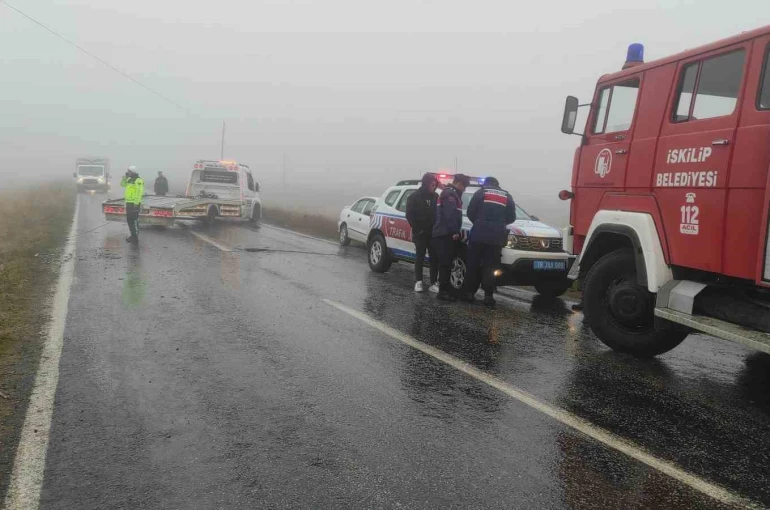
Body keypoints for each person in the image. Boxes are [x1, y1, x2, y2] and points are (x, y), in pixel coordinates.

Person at [462, 176, 515, 306]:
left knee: (473, 264)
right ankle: (488, 296)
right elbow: (512, 217)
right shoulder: (507, 196)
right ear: (498, 184)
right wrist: (499, 224)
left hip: (478, 234)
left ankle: (469, 294)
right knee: (490, 267)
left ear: (486, 184)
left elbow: (470, 212)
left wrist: (479, 222)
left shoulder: (480, 192)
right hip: (497, 237)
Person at [432, 174, 470, 302]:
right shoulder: (450, 195)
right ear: (458, 183)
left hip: (443, 233)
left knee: (446, 263)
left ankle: (445, 290)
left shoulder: (450, 193)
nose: (464, 189)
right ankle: (443, 292)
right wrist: (454, 231)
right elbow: (450, 215)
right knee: (445, 264)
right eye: (463, 186)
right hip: (444, 234)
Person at [406, 173, 439, 293]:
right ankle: (418, 281)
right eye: (432, 185)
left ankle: (433, 282)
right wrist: (417, 228)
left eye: (435, 185)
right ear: (426, 184)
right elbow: (409, 215)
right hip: (420, 232)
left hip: (433, 233)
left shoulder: (436, 196)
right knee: (420, 256)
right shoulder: (415, 197)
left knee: (434, 258)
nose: (434, 187)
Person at [121, 166, 144, 243]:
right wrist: (125, 177)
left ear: (133, 172)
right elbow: (122, 184)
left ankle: (135, 237)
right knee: (129, 219)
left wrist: (136, 203)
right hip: (128, 202)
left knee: (134, 220)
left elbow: (139, 192)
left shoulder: (138, 180)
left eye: (129, 171)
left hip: (134, 203)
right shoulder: (129, 179)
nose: (128, 172)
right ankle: (132, 235)